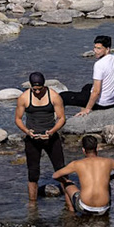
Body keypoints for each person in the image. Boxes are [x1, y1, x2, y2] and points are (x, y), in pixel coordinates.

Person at [13, 71, 68, 201]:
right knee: (33, 173)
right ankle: (32, 206)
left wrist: (52, 131)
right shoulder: (24, 97)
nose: (37, 92)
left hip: (51, 137)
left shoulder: (54, 96)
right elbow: (18, 119)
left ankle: (68, 201)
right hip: (32, 139)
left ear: (44, 85)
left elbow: (61, 118)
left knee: (61, 170)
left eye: (40, 89)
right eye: (34, 89)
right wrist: (27, 131)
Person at [52, 135, 114, 216]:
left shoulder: (77, 164)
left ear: (83, 150)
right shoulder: (109, 162)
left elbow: (55, 175)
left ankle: (71, 214)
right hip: (103, 208)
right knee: (106, 183)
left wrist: (66, 181)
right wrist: (111, 177)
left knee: (67, 185)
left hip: (84, 207)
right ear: (97, 148)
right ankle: (105, 217)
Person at [61, 34, 114, 116]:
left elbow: (96, 91)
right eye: (95, 47)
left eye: (99, 48)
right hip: (113, 102)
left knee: (63, 96)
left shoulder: (99, 64)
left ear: (107, 49)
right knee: (87, 87)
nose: (95, 51)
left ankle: (59, 120)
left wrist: (87, 109)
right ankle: (84, 104)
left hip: (101, 104)